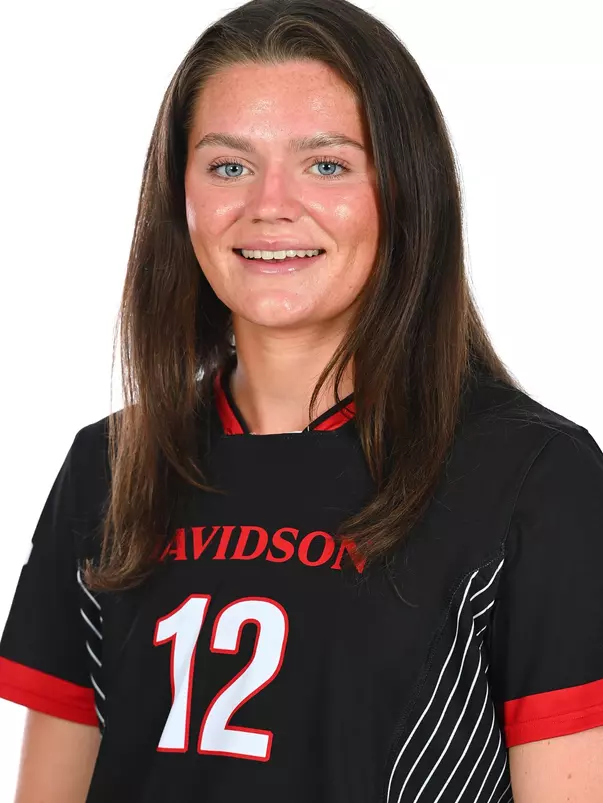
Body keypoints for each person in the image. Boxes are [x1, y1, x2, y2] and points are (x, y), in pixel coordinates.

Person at [1, 0, 603, 800]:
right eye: (227, 165)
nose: (269, 204)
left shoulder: (535, 477)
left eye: (325, 164)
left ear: (405, 189)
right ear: (177, 194)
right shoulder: (111, 464)